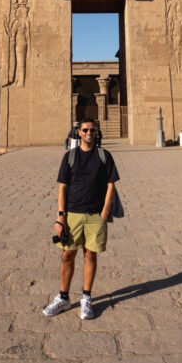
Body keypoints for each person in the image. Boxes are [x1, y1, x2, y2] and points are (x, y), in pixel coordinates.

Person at [43, 119, 119, 320]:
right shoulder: (70, 157)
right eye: (85, 130)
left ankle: (86, 298)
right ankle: (63, 297)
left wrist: (104, 213)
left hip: (95, 215)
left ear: (96, 132)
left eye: (92, 130)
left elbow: (111, 185)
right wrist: (61, 217)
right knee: (67, 255)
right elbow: (63, 187)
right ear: (79, 132)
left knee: (90, 255)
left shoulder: (104, 156)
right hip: (72, 214)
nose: (88, 133)